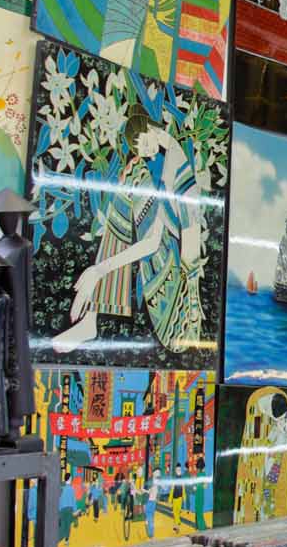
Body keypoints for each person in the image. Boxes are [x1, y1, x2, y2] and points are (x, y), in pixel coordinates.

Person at [54, 91, 208, 354]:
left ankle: (91, 319)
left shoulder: (172, 162)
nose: (143, 151)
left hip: (177, 276)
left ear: (150, 128)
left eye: (142, 143)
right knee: (129, 184)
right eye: (137, 149)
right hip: (164, 256)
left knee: (131, 183)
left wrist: (99, 270)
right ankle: (90, 320)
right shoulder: (155, 162)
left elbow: (157, 240)